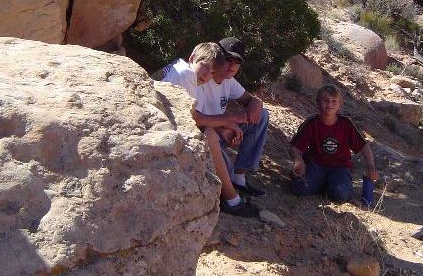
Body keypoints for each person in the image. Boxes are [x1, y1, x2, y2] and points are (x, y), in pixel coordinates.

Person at [162, 42, 254, 217]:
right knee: (209, 136)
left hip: (169, 122)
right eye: (205, 66)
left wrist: (223, 127)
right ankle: (232, 200)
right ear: (192, 58)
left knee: (224, 167)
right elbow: (194, 117)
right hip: (164, 126)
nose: (206, 75)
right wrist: (228, 121)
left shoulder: (187, 72)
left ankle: (230, 192)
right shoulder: (186, 74)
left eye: (212, 72)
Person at [190, 37, 270, 215]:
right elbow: (197, 120)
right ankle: (230, 194)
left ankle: (239, 178)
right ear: (217, 58)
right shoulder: (203, 79)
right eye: (228, 59)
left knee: (262, 115)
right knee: (222, 174)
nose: (231, 65)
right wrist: (226, 125)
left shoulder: (229, 81)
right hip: (206, 136)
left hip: (222, 132)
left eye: (237, 62)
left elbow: (251, 100)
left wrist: (256, 103)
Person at [289, 84, 378, 202]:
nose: (329, 104)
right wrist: (298, 160)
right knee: (299, 188)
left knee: (341, 194)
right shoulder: (311, 123)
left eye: (334, 101)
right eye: (325, 100)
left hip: (339, 167)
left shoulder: (346, 124)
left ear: (339, 105)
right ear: (318, 102)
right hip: (316, 165)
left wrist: (371, 166)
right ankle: (319, 183)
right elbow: (294, 147)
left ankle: (328, 184)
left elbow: (364, 146)